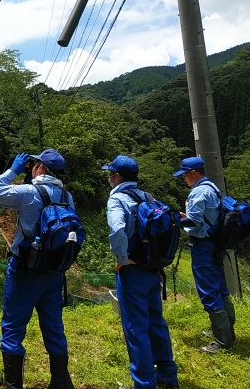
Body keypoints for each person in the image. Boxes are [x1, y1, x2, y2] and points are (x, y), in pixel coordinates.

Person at [0, 149, 75, 389]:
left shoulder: (28, 193)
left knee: (13, 328)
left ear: (41, 169)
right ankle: (60, 383)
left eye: (35, 164)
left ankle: (13, 386)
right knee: (54, 327)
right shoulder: (67, 197)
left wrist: (14, 169)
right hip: (54, 274)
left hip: (25, 271)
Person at [102, 155, 178, 389]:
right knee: (155, 321)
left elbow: (117, 231)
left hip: (133, 271)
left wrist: (122, 259)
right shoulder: (147, 196)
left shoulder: (117, 199)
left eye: (110, 174)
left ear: (116, 177)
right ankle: (167, 376)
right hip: (152, 269)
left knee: (136, 328)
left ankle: (144, 384)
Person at [173, 156, 236, 354]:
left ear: (193, 173)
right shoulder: (213, 188)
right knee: (220, 287)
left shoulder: (199, 191)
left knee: (209, 291)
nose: (183, 178)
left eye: (184, 174)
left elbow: (194, 222)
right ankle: (227, 331)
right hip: (216, 244)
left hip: (203, 246)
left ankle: (223, 340)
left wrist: (173, 219)